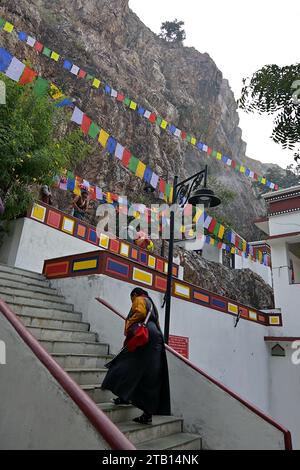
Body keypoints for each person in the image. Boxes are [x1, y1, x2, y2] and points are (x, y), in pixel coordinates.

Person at [102, 288, 171, 424]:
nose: (132, 301)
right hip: (155, 338)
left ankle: (123, 396)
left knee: (123, 363)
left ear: (134, 294)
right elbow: (156, 322)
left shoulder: (139, 299)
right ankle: (146, 413)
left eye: (131, 298)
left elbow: (140, 313)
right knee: (150, 375)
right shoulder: (151, 303)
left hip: (144, 338)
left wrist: (128, 325)